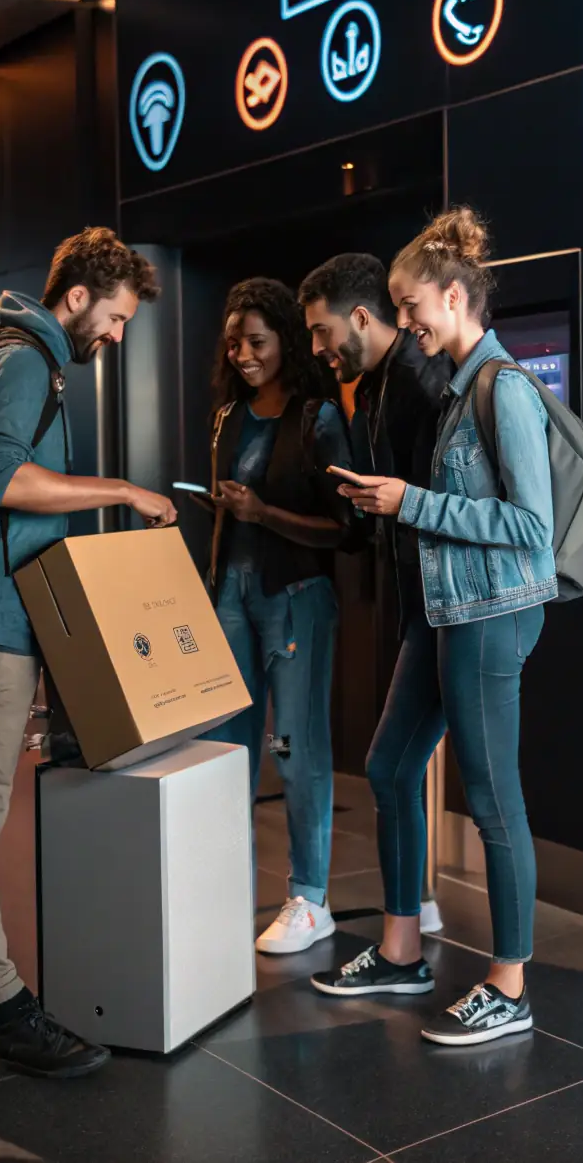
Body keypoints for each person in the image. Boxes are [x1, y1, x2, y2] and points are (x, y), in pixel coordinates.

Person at [0, 228, 177, 1079]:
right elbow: (2, 478)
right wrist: (122, 490)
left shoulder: (19, 355)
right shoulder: (25, 361)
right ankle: (1, 1004)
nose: (118, 334)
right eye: (119, 316)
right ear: (77, 297)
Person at [311, 208, 556, 1048]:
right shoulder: (457, 386)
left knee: (492, 801)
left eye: (412, 305)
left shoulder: (504, 387)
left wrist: (408, 501)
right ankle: (404, 948)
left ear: (454, 296)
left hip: (490, 615)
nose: (405, 321)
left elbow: (532, 527)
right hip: (449, 611)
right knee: (389, 765)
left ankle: (510, 984)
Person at [201, 278, 353, 955]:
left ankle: (310, 897)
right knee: (227, 750)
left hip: (296, 596)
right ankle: (220, 884)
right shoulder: (227, 418)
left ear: (286, 340)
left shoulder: (317, 418)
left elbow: (342, 527)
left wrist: (262, 512)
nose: (242, 354)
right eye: (234, 343)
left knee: (296, 750)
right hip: (230, 594)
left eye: (255, 342)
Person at [299, 254, 449, 933]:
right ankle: (406, 935)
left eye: (321, 330)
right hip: (423, 609)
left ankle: (418, 943)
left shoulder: (417, 381)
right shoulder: (383, 384)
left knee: (406, 770)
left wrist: (392, 503)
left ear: (361, 316)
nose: (317, 348)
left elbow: (446, 500)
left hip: (448, 611)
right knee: (393, 768)